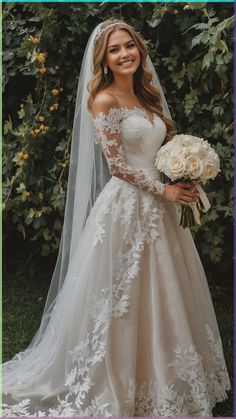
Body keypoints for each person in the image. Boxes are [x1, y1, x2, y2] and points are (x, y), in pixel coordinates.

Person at [2, 19, 231, 417]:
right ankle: (118, 379)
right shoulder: (104, 100)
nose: (124, 54)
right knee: (122, 297)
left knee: (168, 290)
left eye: (129, 46)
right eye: (114, 49)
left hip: (162, 205)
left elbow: (159, 150)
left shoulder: (148, 95)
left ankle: (171, 378)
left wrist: (182, 173)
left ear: (139, 49)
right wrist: (166, 190)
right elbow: (118, 166)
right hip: (128, 207)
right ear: (103, 59)